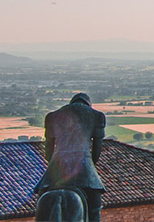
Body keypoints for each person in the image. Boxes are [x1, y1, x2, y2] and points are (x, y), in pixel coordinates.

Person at [34, 93, 106, 221]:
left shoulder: (52, 116)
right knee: (95, 205)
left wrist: (55, 166)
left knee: (41, 203)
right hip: (84, 168)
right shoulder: (97, 116)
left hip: (54, 171)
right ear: (88, 104)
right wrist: (91, 166)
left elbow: (48, 150)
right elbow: (97, 150)